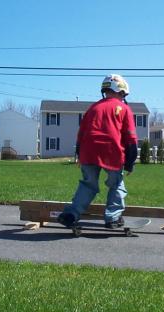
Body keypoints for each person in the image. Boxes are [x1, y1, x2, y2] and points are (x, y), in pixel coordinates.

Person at [57, 74, 138, 228]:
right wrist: (130, 162)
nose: (123, 98)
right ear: (120, 91)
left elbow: (81, 134)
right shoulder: (124, 109)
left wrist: (79, 155)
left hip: (88, 151)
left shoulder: (93, 108)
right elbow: (131, 138)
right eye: (123, 95)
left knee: (88, 184)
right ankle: (113, 218)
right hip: (111, 152)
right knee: (116, 184)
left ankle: (70, 214)